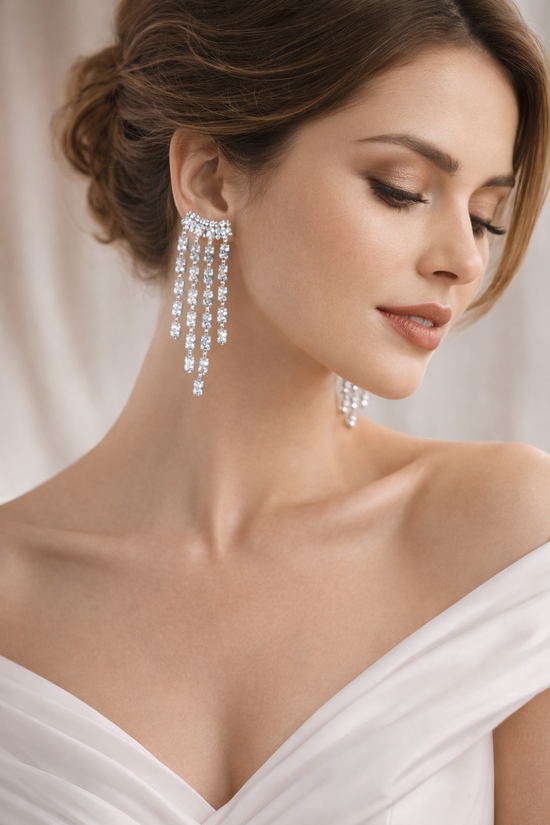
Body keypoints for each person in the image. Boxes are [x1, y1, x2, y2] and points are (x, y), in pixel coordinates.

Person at [1, 0, 550, 822]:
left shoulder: (506, 537)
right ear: (210, 178)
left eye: (484, 214)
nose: (463, 260)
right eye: (402, 190)